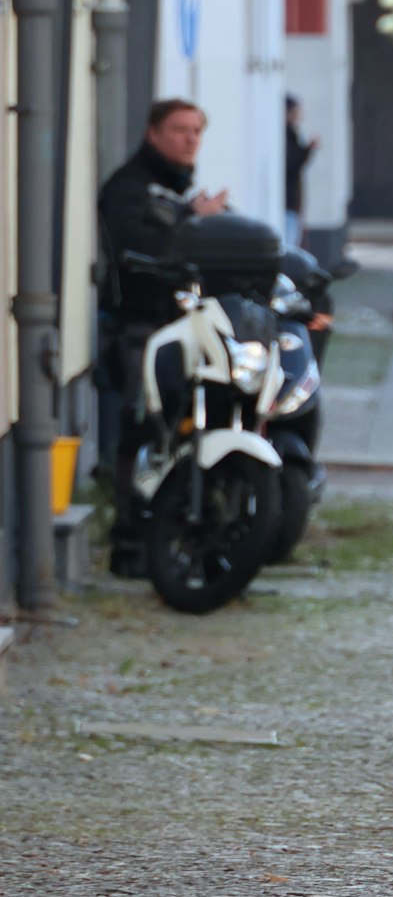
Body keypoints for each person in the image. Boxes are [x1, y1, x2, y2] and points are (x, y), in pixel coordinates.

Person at [97, 98, 230, 577]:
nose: (190, 139)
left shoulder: (178, 190)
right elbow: (137, 247)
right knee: (143, 430)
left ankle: (188, 533)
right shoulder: (129, 186)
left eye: (197, 130)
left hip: (182, 324)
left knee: (185, 430)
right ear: (153, 133)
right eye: (179, 129)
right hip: (139, 326)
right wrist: (193, 220)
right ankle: (130, 542)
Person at [284, 95, 319, 248]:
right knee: (289, 244)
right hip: (287, 201)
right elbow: (291, 164)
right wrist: (306, 151)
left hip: (292, 202)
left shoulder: (292, 134)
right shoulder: (285, 136)